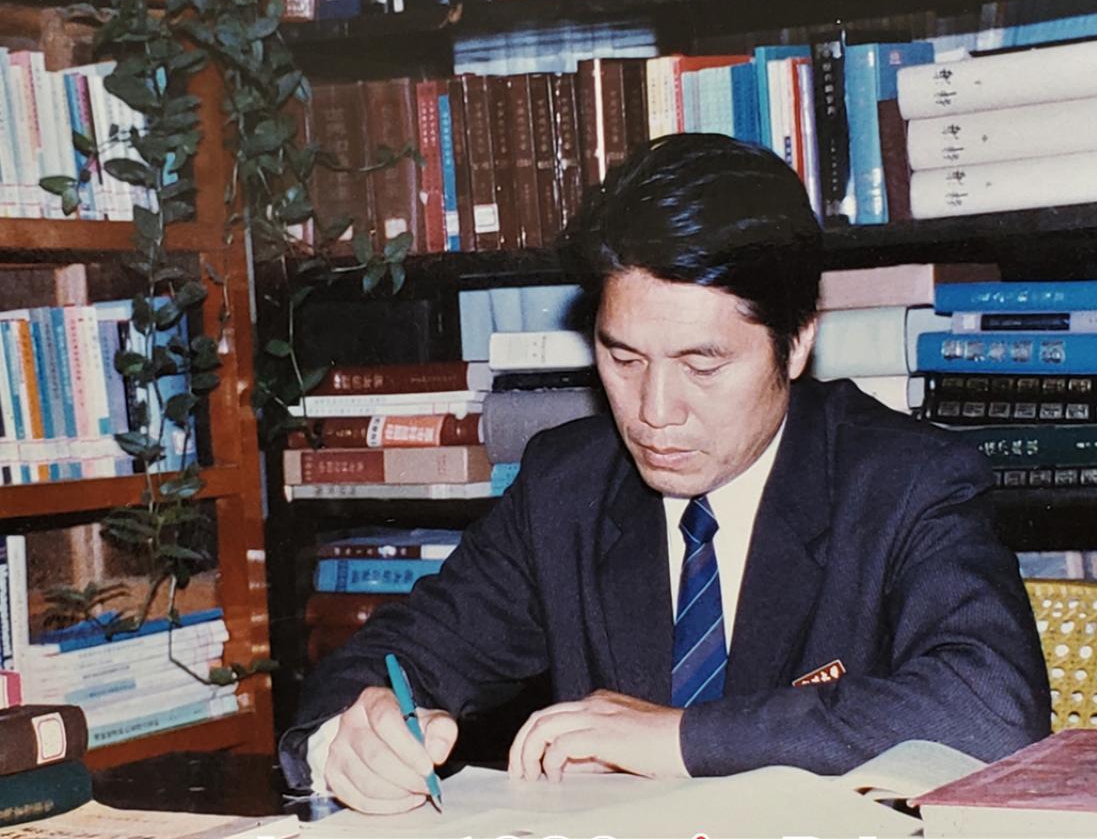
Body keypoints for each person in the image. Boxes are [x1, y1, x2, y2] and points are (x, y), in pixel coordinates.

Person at [277, 133, 1051, 814]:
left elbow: (987, 710)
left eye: (702, 363)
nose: (654, 412)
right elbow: (390, 661)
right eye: (622, 357)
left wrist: (678, 737)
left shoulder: (905, 481)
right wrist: (356, 737)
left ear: (795, 344)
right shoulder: (568, 487)